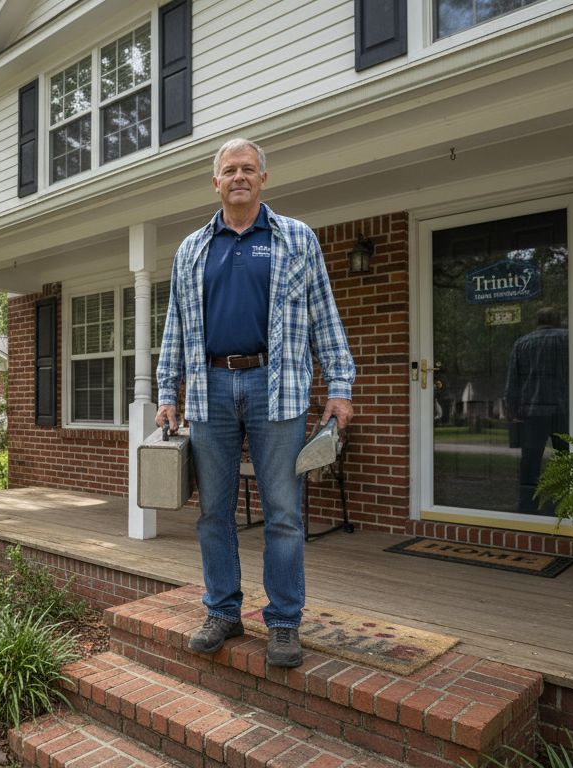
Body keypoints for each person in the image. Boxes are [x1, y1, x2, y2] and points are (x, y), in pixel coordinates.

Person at [155, 138, 355, 668]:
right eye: (229, 170)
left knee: (284, 513)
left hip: (279, 384)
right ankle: (222, 611)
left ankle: (285, 623)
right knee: (213, 512)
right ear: (215, 183)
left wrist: (340, 387)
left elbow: (324, 317)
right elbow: (174, 327)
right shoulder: (192, 249)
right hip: (210, 388)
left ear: (263, 178)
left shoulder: (296, 239)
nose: (238, 176)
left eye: (248, 169)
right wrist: (165, 393)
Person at [504, 306, 568, 515]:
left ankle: (527, 507)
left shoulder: (522, 343)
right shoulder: (567, 339)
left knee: (530, 461)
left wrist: (511, 410)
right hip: (562, 408)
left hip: (532, 411)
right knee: (568, 458)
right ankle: (569, 504)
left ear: (537, 321)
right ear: (558, 320)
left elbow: (513, 379)